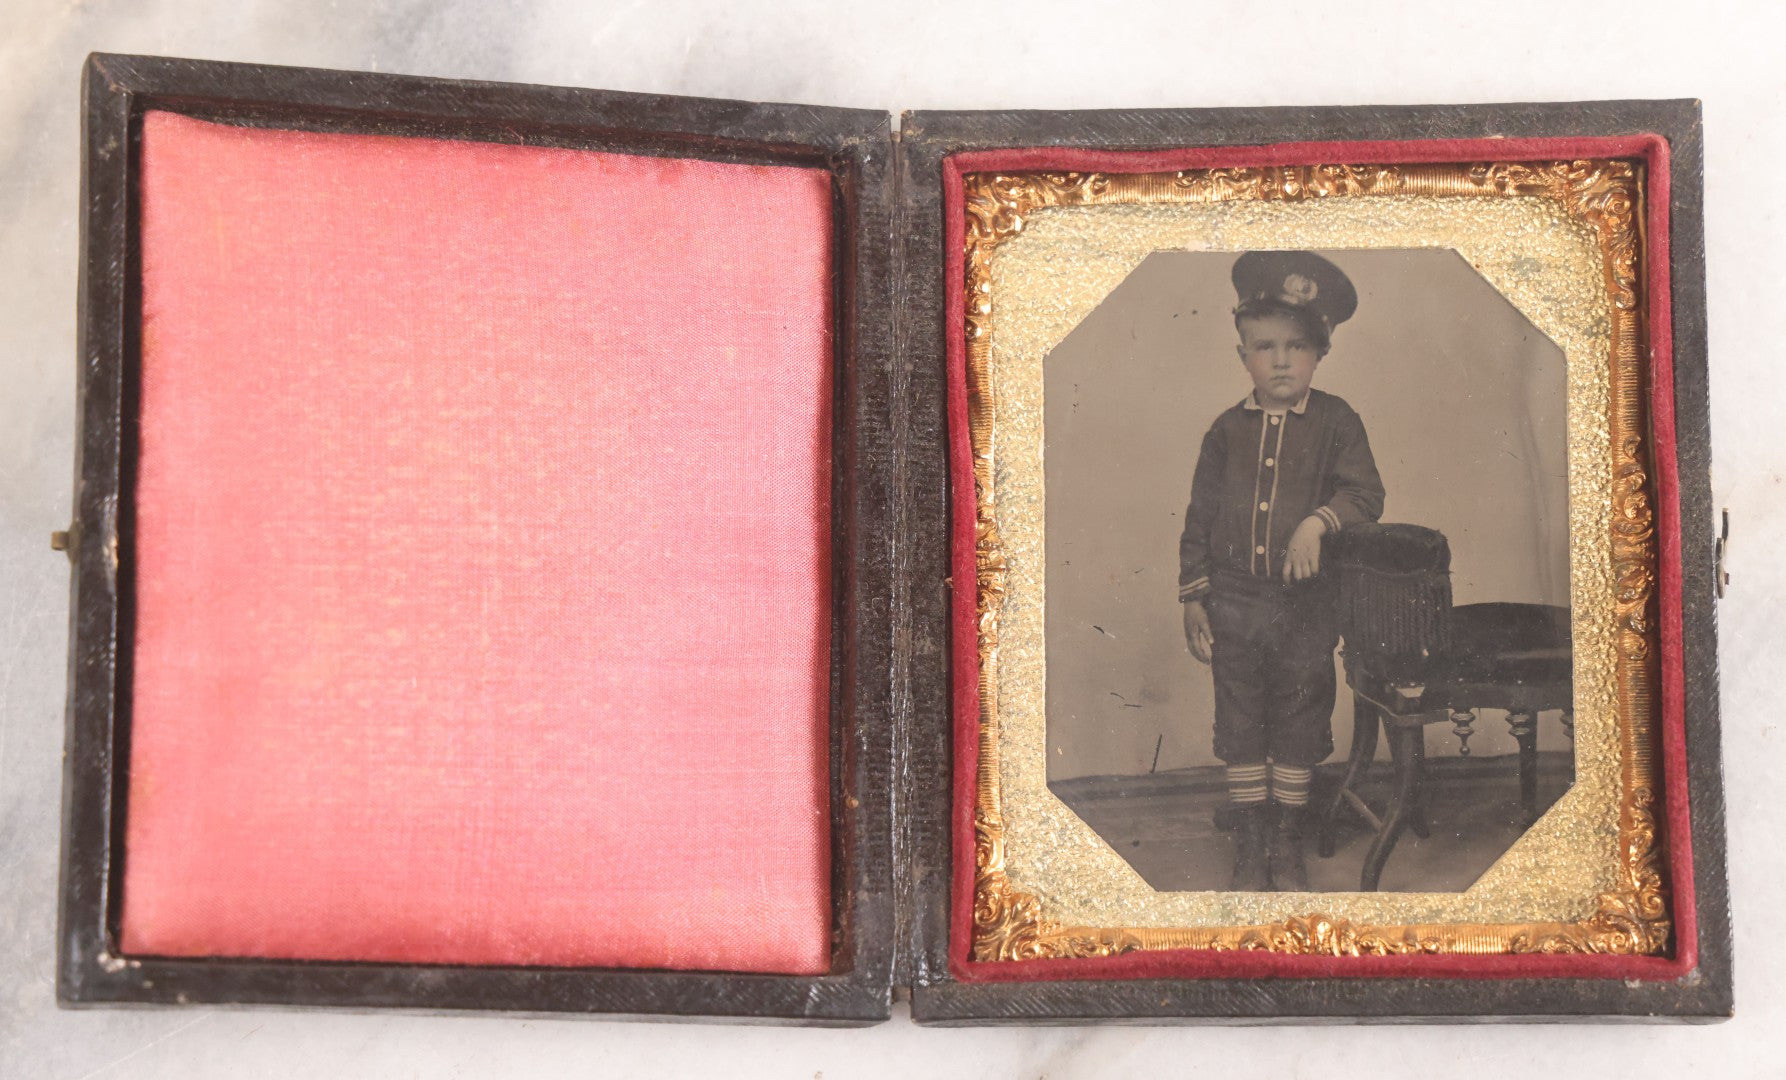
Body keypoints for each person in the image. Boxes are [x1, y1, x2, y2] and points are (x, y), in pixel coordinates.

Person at [1178, 251, 1385, 891]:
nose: (1281, 360)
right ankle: (1251, 840)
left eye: (1297, 346)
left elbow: (1365, 496)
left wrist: (1316, 521)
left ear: (1320, 352)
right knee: (1241, 720)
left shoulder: (1336, 420)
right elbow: (1199, 517)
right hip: (1234, 602)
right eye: (1264, 346)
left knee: (1298, 716)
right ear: (1243, 353)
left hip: (1305, 607)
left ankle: (1287, 839)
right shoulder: (1224, 430)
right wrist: (1193, 597)